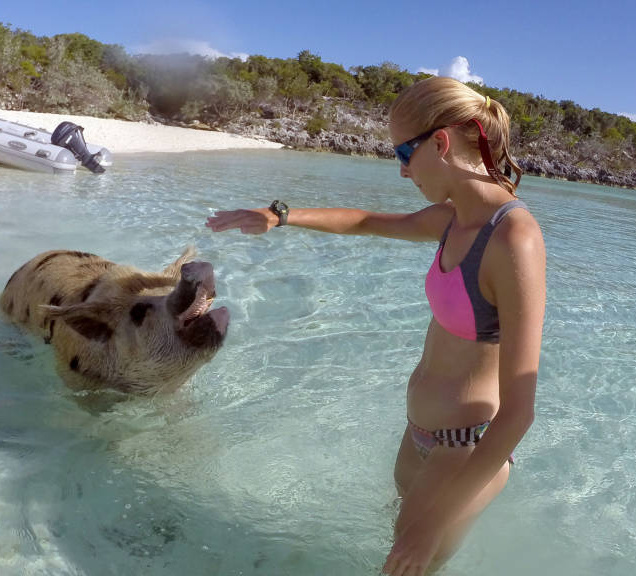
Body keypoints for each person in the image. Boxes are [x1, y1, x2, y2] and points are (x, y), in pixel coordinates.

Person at [206, 76, 545, 575]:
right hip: (419, 441)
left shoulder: (514, 239)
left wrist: (433, 523)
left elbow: (519, 412)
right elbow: (365, 221)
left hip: (466, 451)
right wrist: (279, 216)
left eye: (404, 154)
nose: (404, 172)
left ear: (441, 143)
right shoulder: (449, 220)